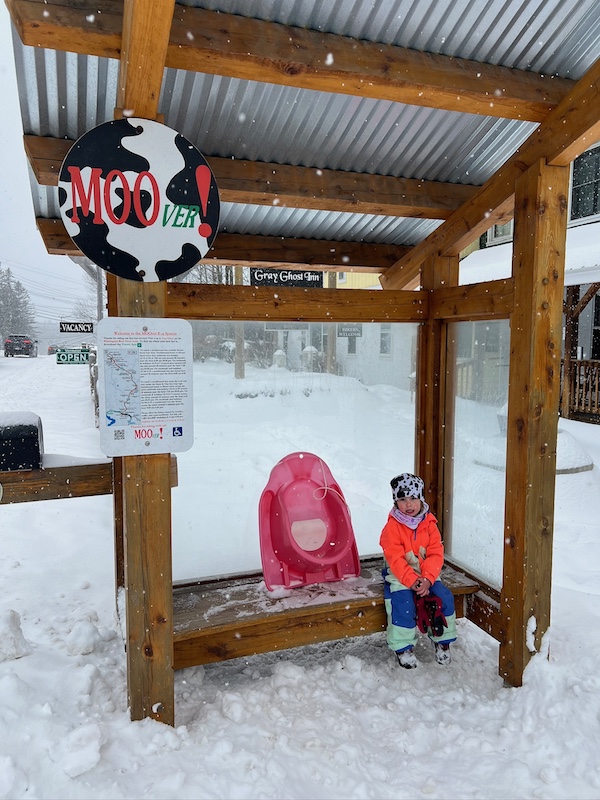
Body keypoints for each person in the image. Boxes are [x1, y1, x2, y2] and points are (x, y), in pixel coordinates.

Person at [380, 473, 457, 669]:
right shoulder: (392, 527)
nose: (408, 504)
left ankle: (442, 640)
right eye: (402, 499)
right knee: (403, 603)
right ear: (396, 502)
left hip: (427, 576)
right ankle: (403, 647)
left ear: (421, 498)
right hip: (401, 575)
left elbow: (435, 554)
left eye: (413, 498)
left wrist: (428, 579)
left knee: (444, 598)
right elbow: (395, 559)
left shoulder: (429, 524)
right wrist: (412, 580)